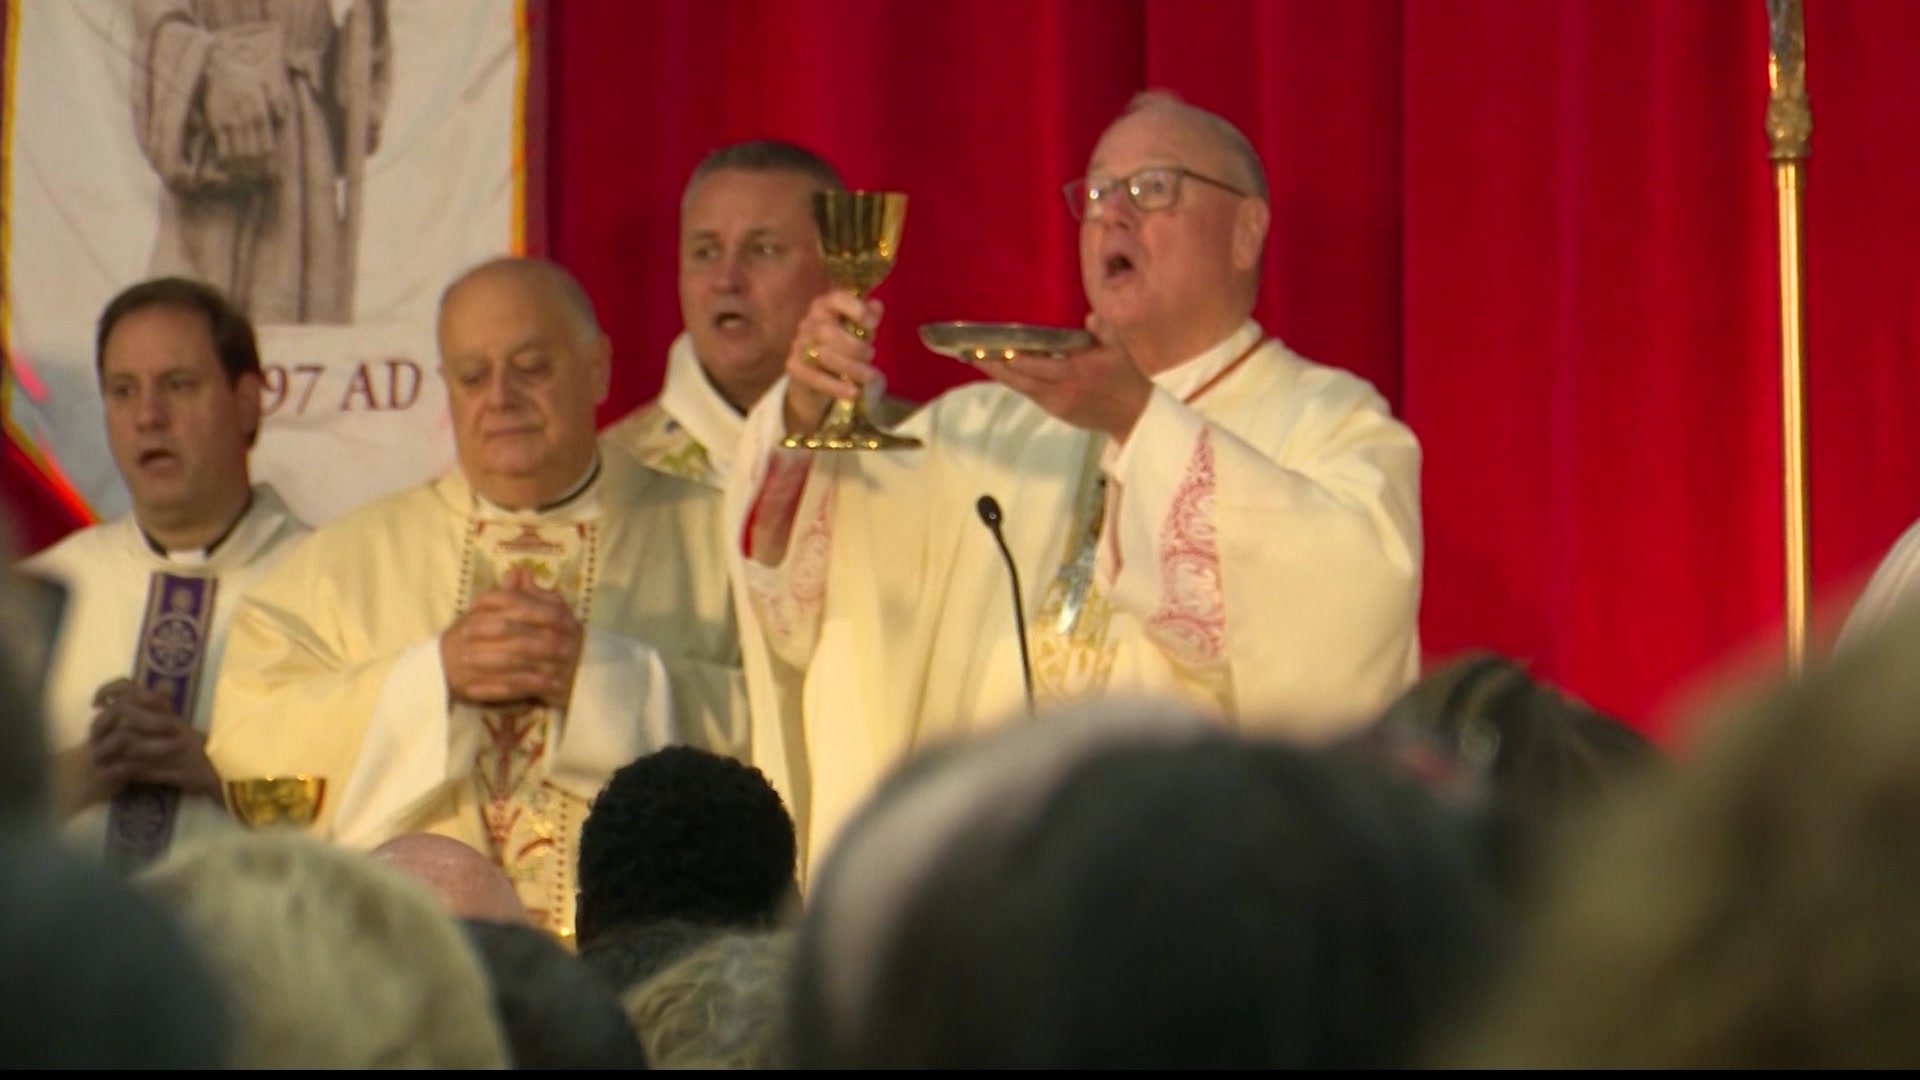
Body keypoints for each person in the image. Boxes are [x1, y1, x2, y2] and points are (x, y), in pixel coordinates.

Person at [724, 90, 1424, 870]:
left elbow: (1348, 609)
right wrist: (809, 407)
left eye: (1152, 188)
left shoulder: (1328, 422)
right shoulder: (991, 429)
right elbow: (809, 582)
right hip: (987, 902)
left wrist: (1140, 424)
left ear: (1246, 231)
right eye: (1094, 195)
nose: (1112, 216)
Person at [207, 256, 745, 941]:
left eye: (531, 367)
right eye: (472, 376)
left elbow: (797, 732)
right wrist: (429, 681)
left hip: (649, 973)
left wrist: (604, 682)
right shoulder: (342, 565)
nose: (501, 397)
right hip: (419, 985)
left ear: (598, 369)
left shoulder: (720, 544)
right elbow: (247, 748)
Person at [23, 277, 309, 870]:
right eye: (124, 391)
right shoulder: (36, 596)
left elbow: (380, 806)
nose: (148, 417)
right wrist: (85, 772)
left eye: (178, 386)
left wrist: (215, 768)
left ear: (247, 401)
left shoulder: (331, 583)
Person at [601, 139, 911, 487]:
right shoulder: (611, 476)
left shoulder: (924, 460)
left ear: (837, 273)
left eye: (763, 250)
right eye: (705, 252)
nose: (726, 279)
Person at [130, 0, 392, 325]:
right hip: (223, 148)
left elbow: (354, 87)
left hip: (306, 161)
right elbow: (157, 20)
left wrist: (362, 34)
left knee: (305, 337)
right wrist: (210, 67)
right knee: (199, 325)